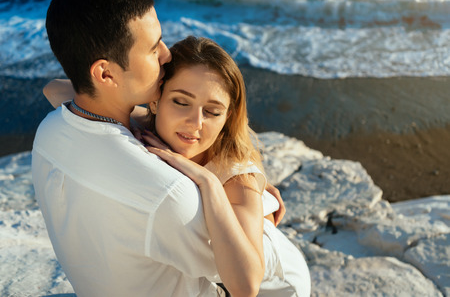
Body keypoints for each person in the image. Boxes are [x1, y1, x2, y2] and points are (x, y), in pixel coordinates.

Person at [44, 36, 311, 296]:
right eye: (181, 102)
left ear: (227, 117)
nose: (194, 122)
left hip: (280, 285)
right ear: (156, 99)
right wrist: (128, 99)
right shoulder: (148, 121)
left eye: (212, 112)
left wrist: (209, 184)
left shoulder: (237, 178)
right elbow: (54, 90)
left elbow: (246, 286)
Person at [33, 0, 257, 296]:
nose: (166, 54)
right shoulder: (169, 195)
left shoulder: (49, 131)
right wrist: (222, 183)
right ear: (105, 74)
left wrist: (240, 164)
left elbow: (57, 88)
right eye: (154, 48)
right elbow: (246, 281)